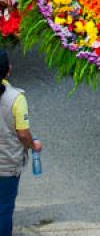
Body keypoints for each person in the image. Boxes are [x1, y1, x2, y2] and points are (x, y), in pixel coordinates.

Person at [0, 49, 42, 236]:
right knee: (4, 208)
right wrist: (34, 145)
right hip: (7, 165)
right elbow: (23, 134)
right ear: (8, 69)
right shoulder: (16, 98)